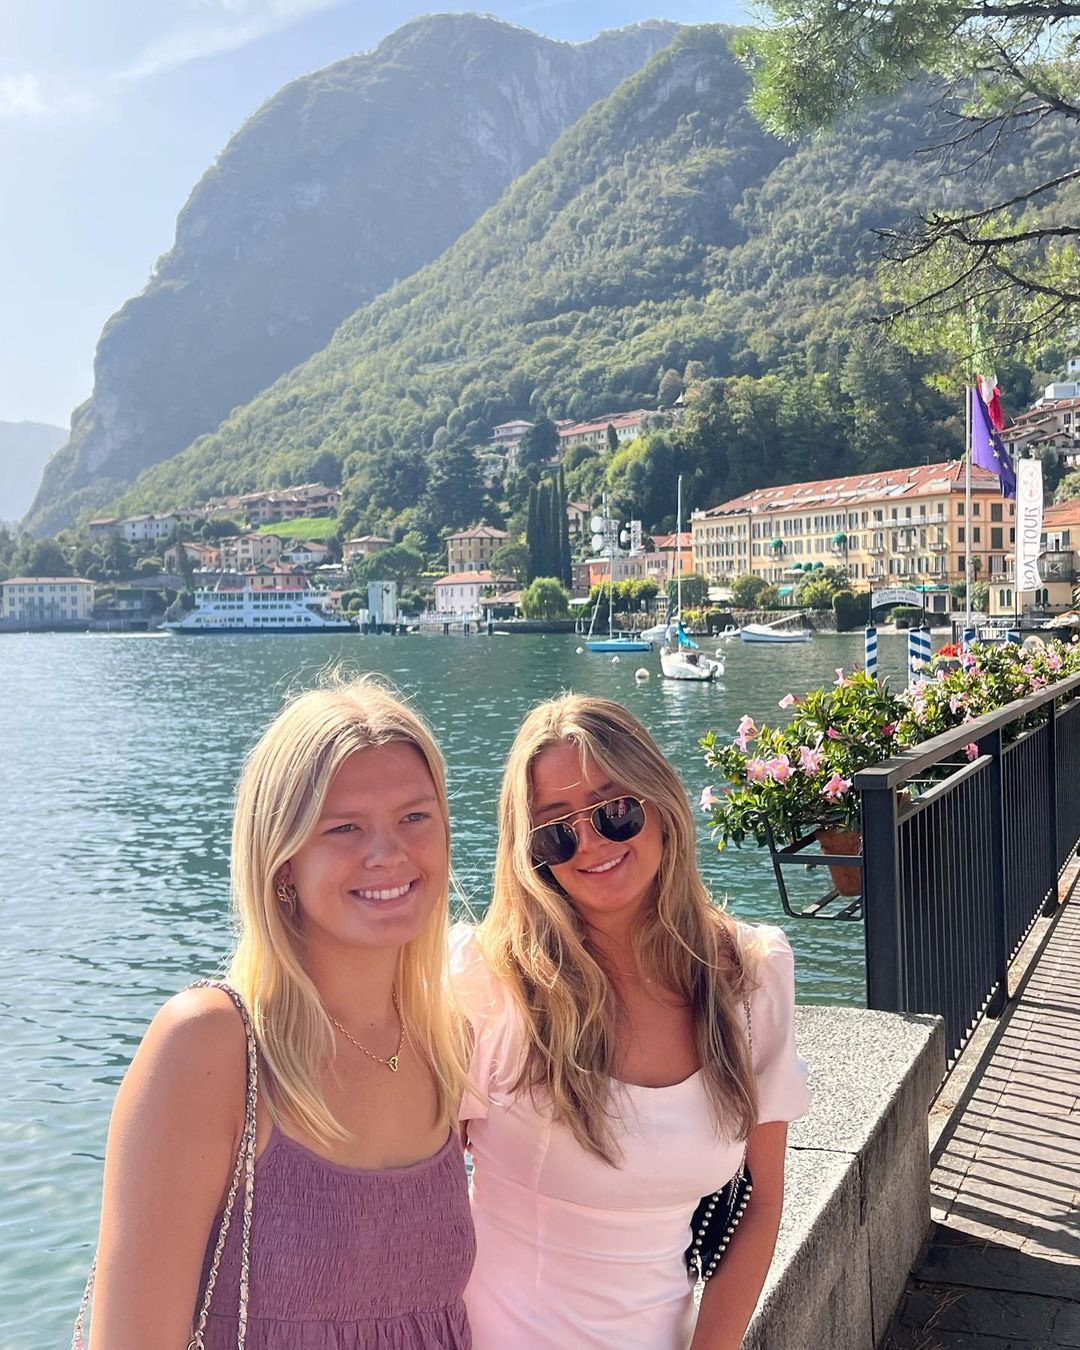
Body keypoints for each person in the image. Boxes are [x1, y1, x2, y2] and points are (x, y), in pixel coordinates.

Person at [87, 676, 475, 1349]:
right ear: (283, 860)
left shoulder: (445, 1041)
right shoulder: (211, 1047)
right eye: (344, 827)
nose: (388, 853)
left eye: (415, 817)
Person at [451, 694, 809, 1350]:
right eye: (556, 830)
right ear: (532, 852)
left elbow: (761, 1202)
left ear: (660, 803)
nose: (590, 843)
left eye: (615, 810)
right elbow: (416, 1197)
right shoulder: (489, 983)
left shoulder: (747, 977)